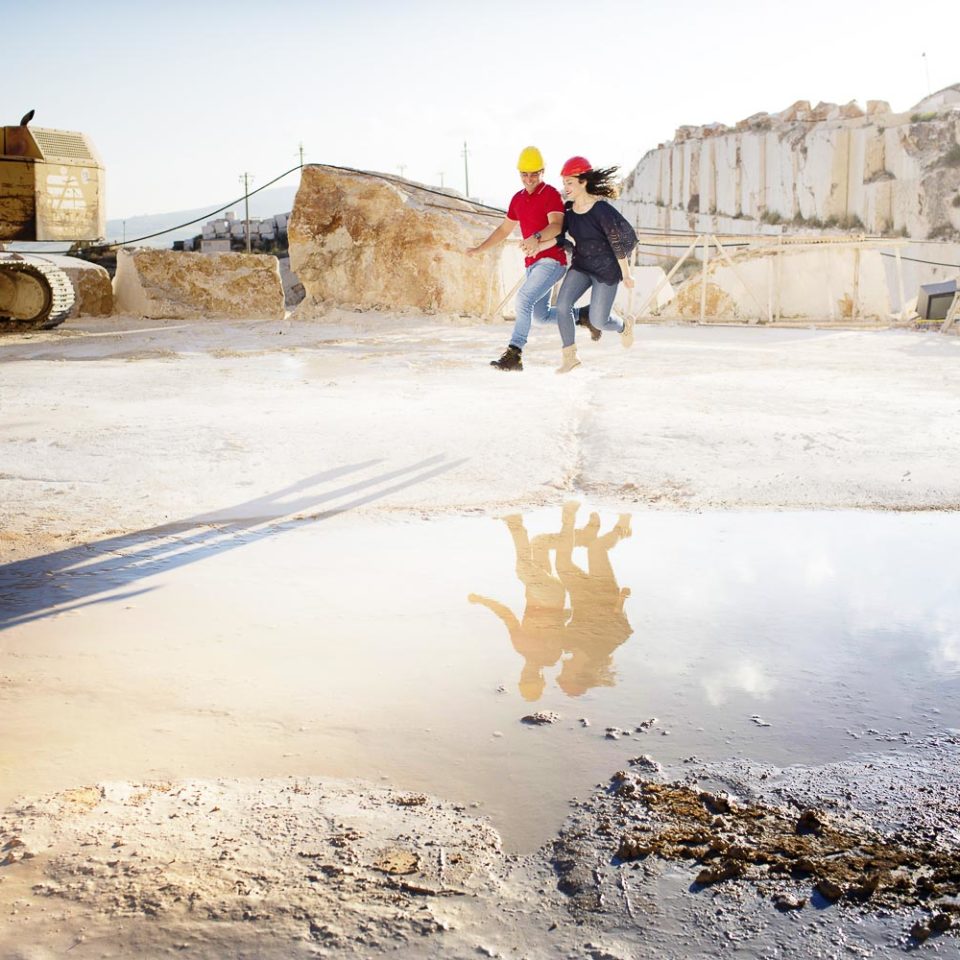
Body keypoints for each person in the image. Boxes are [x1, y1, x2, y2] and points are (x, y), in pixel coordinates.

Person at [466, 147, 567, 372]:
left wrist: (536, 237)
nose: (529, 179)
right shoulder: (517, 199)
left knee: (522, 299)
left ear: (542, 172)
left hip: (552, 260)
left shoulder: (550, 194)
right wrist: (479, 249)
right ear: (519, 173)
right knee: (541, 316)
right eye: (524, 174)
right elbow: (503, 230)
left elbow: (557, 226)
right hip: (532, 264)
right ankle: (586, 315)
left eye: (534, 174)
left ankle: (515, 353)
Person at [544, 156, 639, 373]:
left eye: (569, 182)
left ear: (583, 181)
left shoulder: (601, 210)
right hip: (582, 265)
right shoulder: (568, 210)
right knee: (562, 305)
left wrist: (626, 274)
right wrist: (538, 244)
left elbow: (616, 242)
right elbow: (560, 236)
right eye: (564, 182)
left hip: (606, 270)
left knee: (599, 320)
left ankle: (624, 325)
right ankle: (570, 357)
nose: (565, 187)